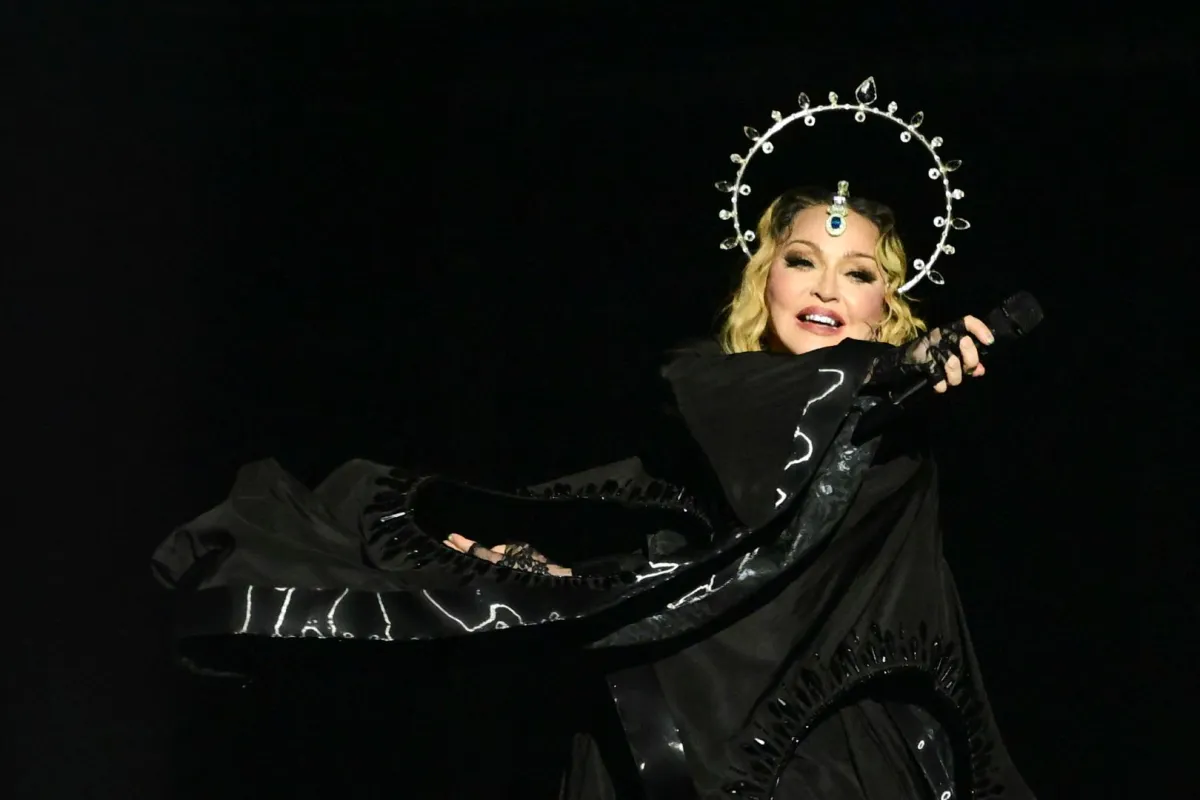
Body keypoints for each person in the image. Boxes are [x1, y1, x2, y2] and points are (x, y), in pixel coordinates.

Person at [152, 185, 1036, 798]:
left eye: (860, 272)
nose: (826, 287)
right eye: (802, 259)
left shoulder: (891, 418)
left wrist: (918, 362)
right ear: (763, 276)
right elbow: (632, 535)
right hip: (659, 746)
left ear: (891, 304)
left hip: (828, 761)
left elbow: (847, 413)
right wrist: (520, 569)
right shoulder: (703, 398)